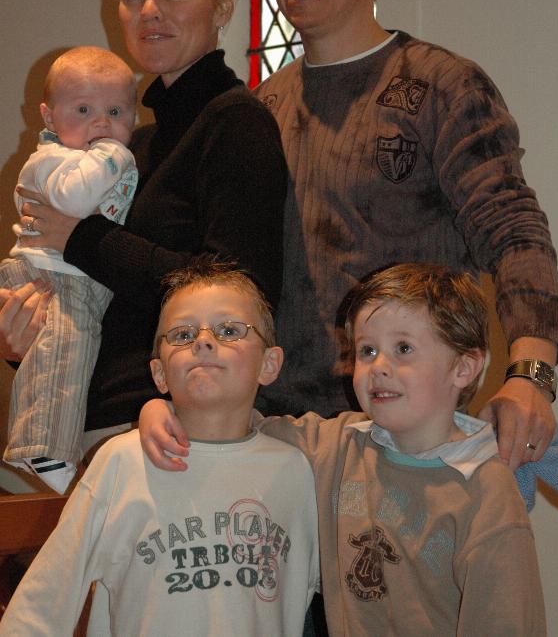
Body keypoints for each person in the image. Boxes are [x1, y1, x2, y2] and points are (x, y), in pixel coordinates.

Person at [253, 0, 558, 470]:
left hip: (414, 436)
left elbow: (515, 232)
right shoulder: (261, 109)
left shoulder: (442, 84)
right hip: (281, 437)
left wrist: (531, 374)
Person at [140, 263, 546, 636]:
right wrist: (163, 408)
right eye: (367, 351)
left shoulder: (486, 490)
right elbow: (236, 425)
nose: (379, 366)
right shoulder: (336, 445)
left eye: (403, 348)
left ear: (464, 367)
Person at [1, 0, 287, 447]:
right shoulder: (135, 144)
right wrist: (31, 331)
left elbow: (240, 294)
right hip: (88, 414)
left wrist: (80, 238)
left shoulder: (235, 121)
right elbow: (105, 294)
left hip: (175, 421)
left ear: (223, 7)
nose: (150, 9)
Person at [0, 257, 319, 636]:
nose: (203, 340)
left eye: (229, 330)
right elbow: (40, 608)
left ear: (270, 364)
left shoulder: (295, 471)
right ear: (159, 373)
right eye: (183, 335)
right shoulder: (121, 462)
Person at [1, 46, 138, 493]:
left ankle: (47, 445)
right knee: (64, 353)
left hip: (67, 273)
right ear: (49, 116)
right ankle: (43, 449)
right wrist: (113, 154)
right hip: (51, 274)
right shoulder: (56, 160)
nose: (101, 123)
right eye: (83, 110)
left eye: (115, 111)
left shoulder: (82, 156)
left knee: (62, 357)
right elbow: (77, 200)